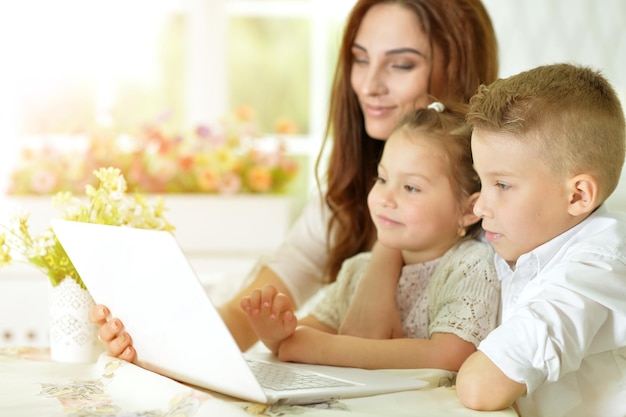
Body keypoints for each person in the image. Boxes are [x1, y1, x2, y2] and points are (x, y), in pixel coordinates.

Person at [90, 0, 499, 361]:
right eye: (359, 59)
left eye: (401, 64)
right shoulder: (345, 200)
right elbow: (253, 314)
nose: (369, 85)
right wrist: (157, 348)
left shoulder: (497, 216)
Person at [240, 102, 500, 371]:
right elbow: (301, 341)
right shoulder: (358, 270)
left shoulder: (471, 266)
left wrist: (326, 348)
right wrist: (276, 334)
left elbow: (449, 356)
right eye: (382, 179)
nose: (385, 198)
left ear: (469, 209)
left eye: (411, 187)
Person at [454, 63, 626, 417]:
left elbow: (482, 386)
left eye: (502, 185)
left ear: (578, 196)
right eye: (481, 181)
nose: (481, 205)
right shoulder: (518, 241)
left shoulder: (598, 265)